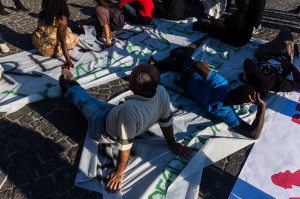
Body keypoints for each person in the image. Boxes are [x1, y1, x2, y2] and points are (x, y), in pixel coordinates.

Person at [59, 64, 191, 193]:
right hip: (114, 112)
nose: (129, 77)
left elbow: (125, 146)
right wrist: (172, 143)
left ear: (138, 86)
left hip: (100, 126)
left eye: (131, 76)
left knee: (85, 103)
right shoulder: (161, 91)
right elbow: (166, 121)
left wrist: (119, 172)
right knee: (93, 101)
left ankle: (69, 86)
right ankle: (77, 90)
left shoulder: (130, 110)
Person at [150, 49, 266, 139]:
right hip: (188, 89)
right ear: (244, 103)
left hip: (189, 75)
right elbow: (253, 134)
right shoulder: (226, 112)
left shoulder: (220, 83)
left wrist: (205, 66)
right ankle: (159, 65)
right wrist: (261, 107)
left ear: (236, 88)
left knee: (184, 59)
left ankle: (174, 53)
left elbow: (196, 65)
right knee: (180, 67)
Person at [243, 30, 300, 94]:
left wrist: (264, 79)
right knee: (286, 33)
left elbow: (247, 62)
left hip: (267, 53)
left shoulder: (255, 78)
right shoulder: (279, 84)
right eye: (272, 79)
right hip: (284, 55)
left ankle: (291, 48)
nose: (271, 77)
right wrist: (290, 66)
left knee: (262, 49)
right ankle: (293, 50)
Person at [32, 0, 79, 70]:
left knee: (66, 30)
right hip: (52, 50)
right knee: (75, 38)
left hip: (41, 47)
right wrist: (68, 61)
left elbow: (39, 30)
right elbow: (63, 42)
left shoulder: (42, 13)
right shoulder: (61, 19)